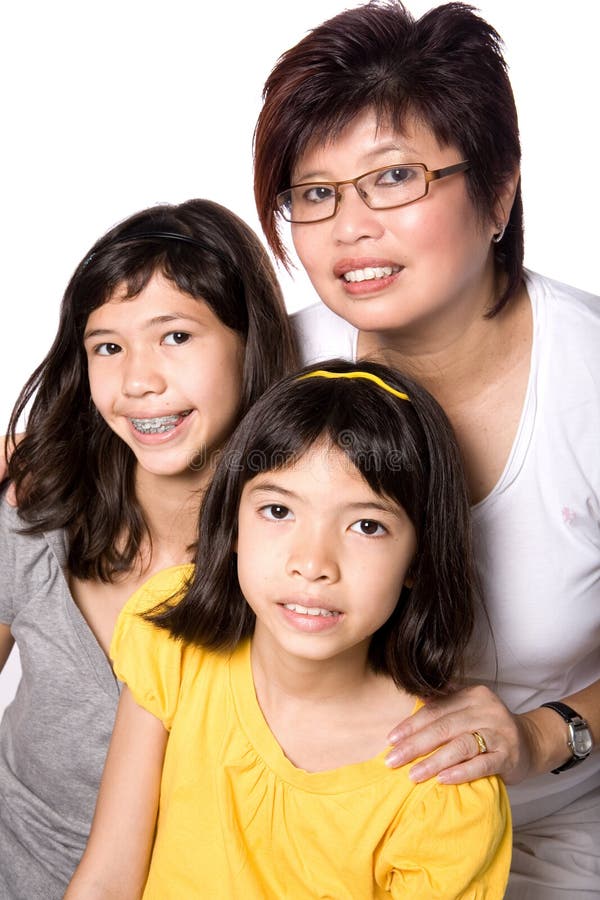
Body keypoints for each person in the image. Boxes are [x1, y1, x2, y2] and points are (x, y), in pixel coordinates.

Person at [252, 1, 600, 895]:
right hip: (315, 814)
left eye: (394, 177)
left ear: (499, 193)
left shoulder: (589, 380)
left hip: (550, 824)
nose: (349, 227)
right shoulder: (275, 364)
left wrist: (544, 734)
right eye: (315, 193)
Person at [65, 360, 511, 899]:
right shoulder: (175, 640)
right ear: (232, 525)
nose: (312, 563)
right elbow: (108, 878)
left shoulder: (445, 784)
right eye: (278, 511)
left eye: (366, 525)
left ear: (418, 558)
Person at [0, 198, 297, 899]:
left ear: (249, 342)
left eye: (176, 336)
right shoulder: (36, 511)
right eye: (108, 346)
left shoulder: (300, 566)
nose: (138, 381)